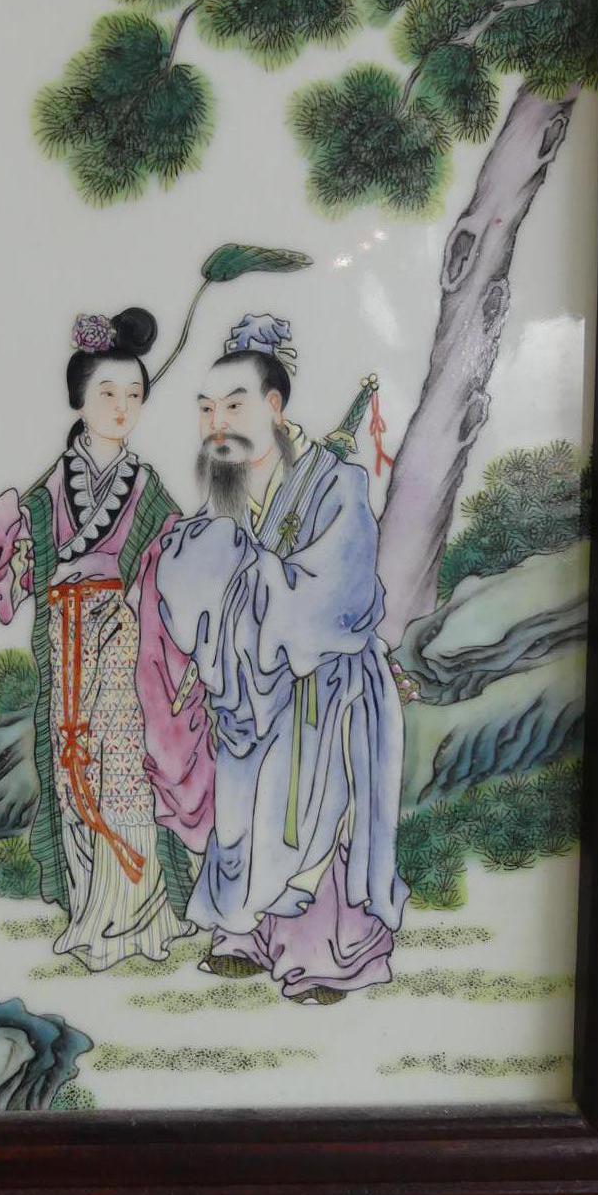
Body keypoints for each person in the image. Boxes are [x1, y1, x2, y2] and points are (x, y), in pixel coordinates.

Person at [154, 314, 408, 1003]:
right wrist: (216, 567)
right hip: (248, 687)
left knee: (314, 813)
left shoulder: (336, 483)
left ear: (272, 406)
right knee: (242, 813)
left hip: (323, 686)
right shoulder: (226, 492)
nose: (217, 423)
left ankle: (325, 957)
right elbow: (193, 579)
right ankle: (242, 934)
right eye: (206, 409)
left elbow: (339, 591)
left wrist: (248, 575)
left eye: (233, 406)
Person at [0, 307, 215, 971]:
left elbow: (175, 559)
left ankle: (137, 914)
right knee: (70, 760)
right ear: (79, 398)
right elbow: (17, 575)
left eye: (133, 395)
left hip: (125, 639)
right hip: (65, 635)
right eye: (107, 393)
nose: (121, 408)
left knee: (124, 766)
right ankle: (89, 907)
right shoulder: (48, 490)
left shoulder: (147, 487)